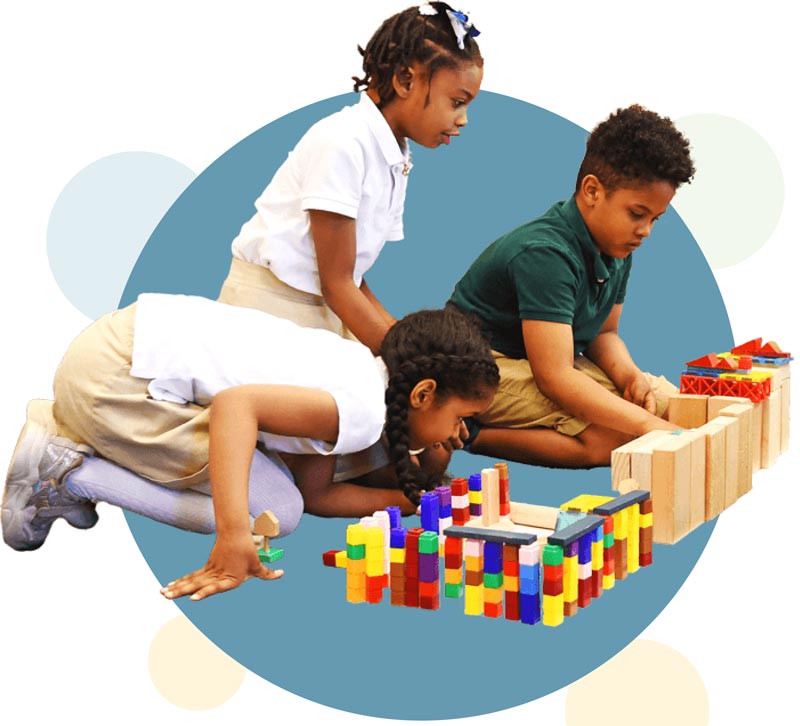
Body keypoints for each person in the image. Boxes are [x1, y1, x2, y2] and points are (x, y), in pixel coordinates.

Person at [1, 297, 499, 601]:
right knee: (272, 515)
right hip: (114, 382)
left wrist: (410, 500)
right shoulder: (364, 412)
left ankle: (71, 444)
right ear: (423, 394)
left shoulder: (359, 374)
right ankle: (67, 470)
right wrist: (234, 535)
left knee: (284, 498)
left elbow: (318, 494)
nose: (459, 433)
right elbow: (236, 408)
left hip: (114, 347)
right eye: (460, 420)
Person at [218, 2, 483, 354]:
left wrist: (402, 337)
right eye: (456, 102)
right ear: (405, 80)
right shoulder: (344, 141)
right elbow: (337, 282)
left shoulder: (394, 155)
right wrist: (406, 360)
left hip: (324, 306)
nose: (463, 119)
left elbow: (351, 276)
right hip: (269, 308)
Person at [448, 104, 696, 468]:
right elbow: (555, 377)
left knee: (676, 408)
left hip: (544, 358)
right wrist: (647, 425)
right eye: (637, 214)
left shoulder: (617, 245)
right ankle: (471, 431)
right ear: (592, 190)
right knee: (616, 438)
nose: (645, 231)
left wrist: (629, 376)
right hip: (482, 364)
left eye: (655, 219)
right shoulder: (545, 254)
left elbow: (604, 333)